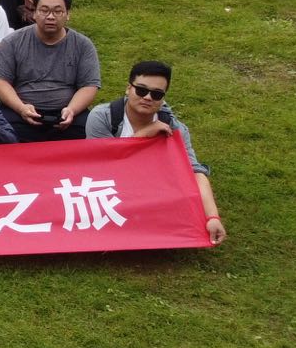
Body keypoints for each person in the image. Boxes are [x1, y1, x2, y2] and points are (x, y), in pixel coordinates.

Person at [86, 61, 226, 243]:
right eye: (141, 90)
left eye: (157, 94)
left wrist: (212, 217)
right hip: (112, 190)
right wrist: (144, 134)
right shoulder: (103, 116)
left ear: (163, 97)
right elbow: (99, 167)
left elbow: (194, 173)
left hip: (153, 190)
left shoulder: (175, 128)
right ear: (128, 89)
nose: (148, 98)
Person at [0, 0, 101, 142]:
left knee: (91, 130)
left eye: (58, 11)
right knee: (0, 132)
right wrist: (21, 108)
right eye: (44, 10)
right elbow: (1, 82)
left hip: (67, 113)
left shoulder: (83, 45)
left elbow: (89, 86)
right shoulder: (12, 41)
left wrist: (71, 110)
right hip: (20, 111)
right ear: (34, 13)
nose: (50, 16)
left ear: (68, 14)